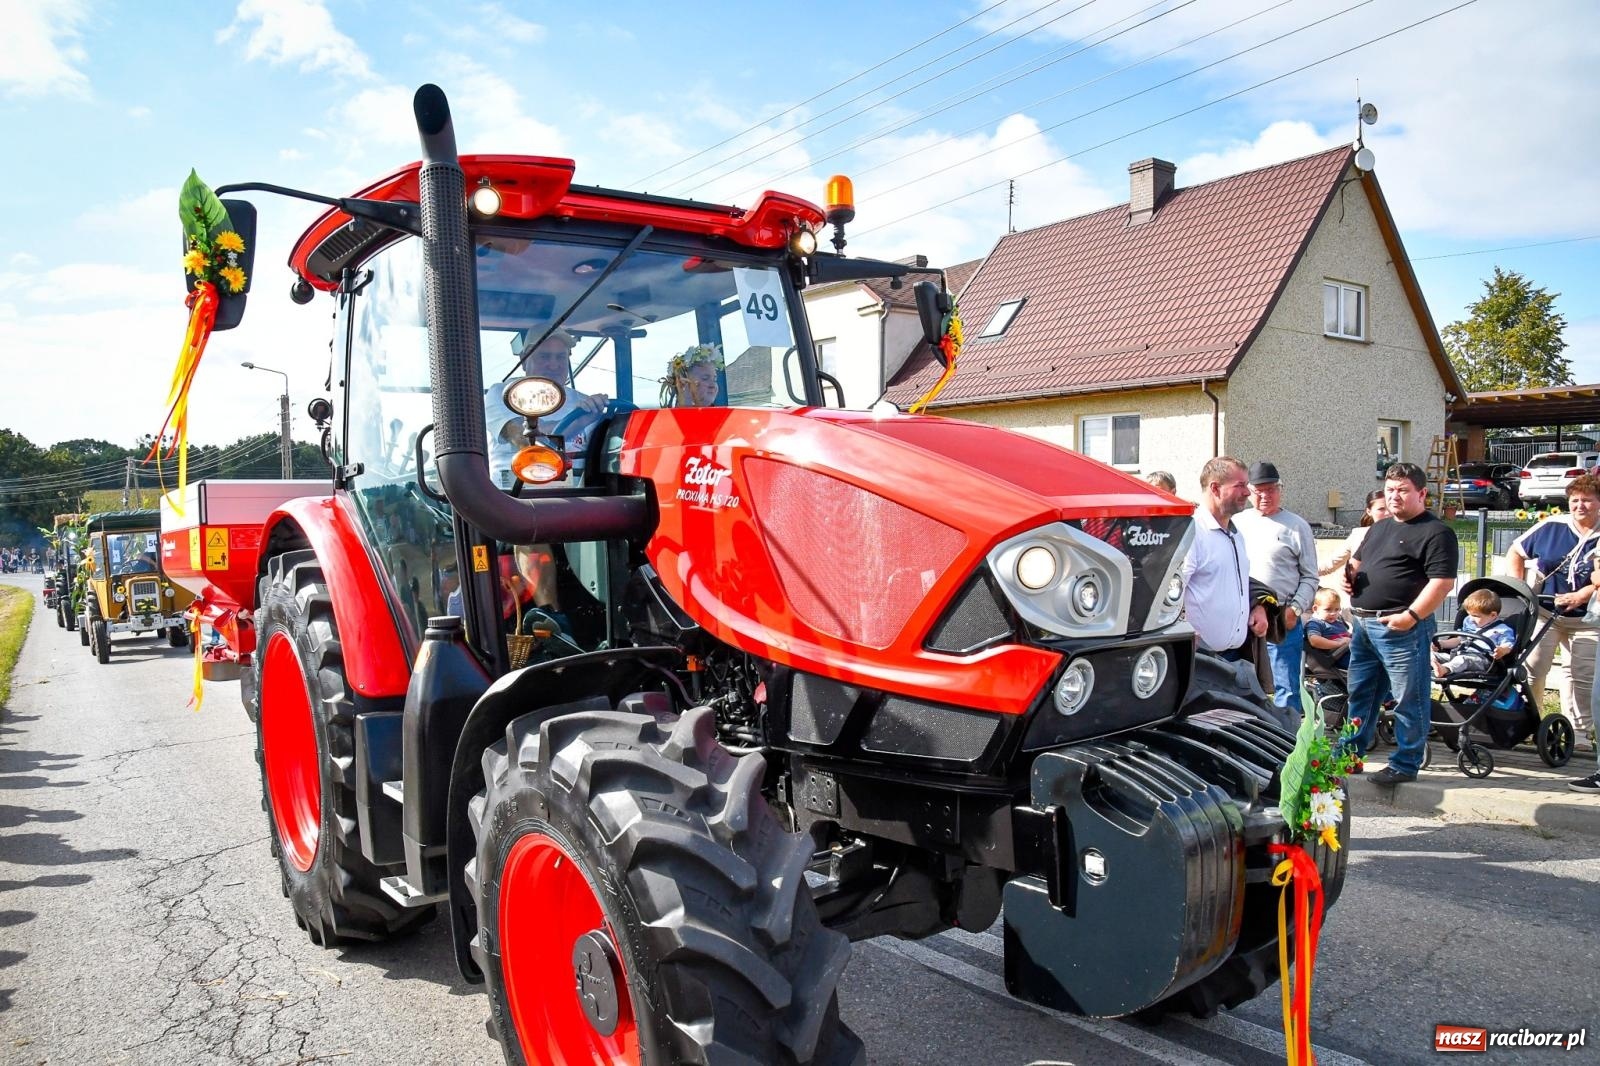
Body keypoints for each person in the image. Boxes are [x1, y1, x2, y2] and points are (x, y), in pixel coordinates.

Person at [1343, 462, 1460, 785]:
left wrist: (1411, 617)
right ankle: (1350, 756)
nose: (1394, 497)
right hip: (1364, 626)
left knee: (1409, 697)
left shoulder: (1436, 533)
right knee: (1361, 695)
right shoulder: (1380, 527)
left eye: (1402, 490)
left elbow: (1442, 583)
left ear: (1422, 493)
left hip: (1402, 627)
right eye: (1390, 490)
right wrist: (1351, 580)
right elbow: (1357, 562)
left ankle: (1406, 763)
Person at [1505, 472, 1599, 738]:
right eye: (1575, 500)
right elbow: (1516, 550)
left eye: (1588, 500)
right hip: (1546, 613)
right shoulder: (1553, 525)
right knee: (1532, 670)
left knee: (1581, 676)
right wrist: (1519, 587)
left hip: (1588, 619)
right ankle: (1530, 726)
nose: (1580, 506)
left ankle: (1578, 734)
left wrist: (1582, 594)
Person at [1234, 461, 1319, 714]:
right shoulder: (1236, 523)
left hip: (1282, 616)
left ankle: (1287, 744)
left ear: (1280, 489)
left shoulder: (1296, 525)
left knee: (1286, 688)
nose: (1264, 496)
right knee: (1243, 685)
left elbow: (1310, 576)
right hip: (1243, 616)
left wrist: (1294, 610)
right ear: (1250, 491)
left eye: (1270, 489)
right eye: (1259, 490)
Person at [485, 328, 609, 486]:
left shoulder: (586, 403)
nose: (553, 364)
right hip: (515, 498)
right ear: (524, 360)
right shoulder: (503, 394)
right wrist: (577, 423)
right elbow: (527, 440)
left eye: (560, 357)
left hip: (576, 496)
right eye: (544, 356)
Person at [1181, 457, 1268, 659]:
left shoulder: (1236, 534)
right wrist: (1181, 630)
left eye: (1247, 485)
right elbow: (1169, 592)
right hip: (1200, 660)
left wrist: (1257, 607)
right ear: (1215, 488)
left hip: (1236, 654)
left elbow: (1234, 585)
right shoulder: (1192, 532)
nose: (1247, 493)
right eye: (1240, 486)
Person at [1431, 587, 1516, 678]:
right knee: (1428, 654)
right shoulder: (1469, 622)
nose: (1471, 618)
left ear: (1493, 615)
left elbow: (1508, 645)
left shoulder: (1502, 630)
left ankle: (1444, 669)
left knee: (1463, 660)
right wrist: (1442, 644)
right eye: (1469, 615)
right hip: (1460, 654)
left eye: (1475, 616)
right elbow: (1460, 640)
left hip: (1483, 660)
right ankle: (1433, 663)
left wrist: (1502, 650)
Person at [1319, 490, 1389, 578]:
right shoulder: (1358, 535)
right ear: (1369, 511)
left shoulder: (1404, 533)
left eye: (1390, 508)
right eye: (1381, 509)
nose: (1387, 513)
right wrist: (1303, 572)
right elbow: (1331, 564)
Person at [659, 343, 724, 407]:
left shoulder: (722, 415)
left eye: (715, 379)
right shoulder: (671, 416)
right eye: (705, 378)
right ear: (683, 383)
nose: (713, 385)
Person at [1304, 588, 1352, 662]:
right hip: (1338, 656)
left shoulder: (1337, 622)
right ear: (1315, 609)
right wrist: (1338, 643)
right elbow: (1314, 641)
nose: (1333, 613)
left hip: (1349, 649)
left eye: (1337, 609)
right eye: (1328, 609)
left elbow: (1346, 634)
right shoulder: (1315, 623)